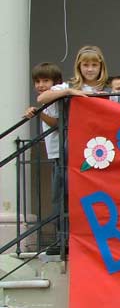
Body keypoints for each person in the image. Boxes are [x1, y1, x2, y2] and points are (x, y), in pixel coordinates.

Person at [23, 63, 64, 255]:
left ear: (56, 83)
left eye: (45, 80)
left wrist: (39, 114)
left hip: (62, 154)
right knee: (57, 198)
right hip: (55, 154)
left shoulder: (55, 99)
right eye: (37, 81)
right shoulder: (49, 101)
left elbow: (57, 123)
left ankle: (62, 238)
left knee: (59, 198)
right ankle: (60, 238)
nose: (41, 85)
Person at [37, 45, 109, 104]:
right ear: (79, 67)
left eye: (94, 65)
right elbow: (41, 99)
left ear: (101, 67)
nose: (90, 69)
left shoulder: (110, 88)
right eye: (85, 65)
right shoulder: (69, 87)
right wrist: (68, 91)